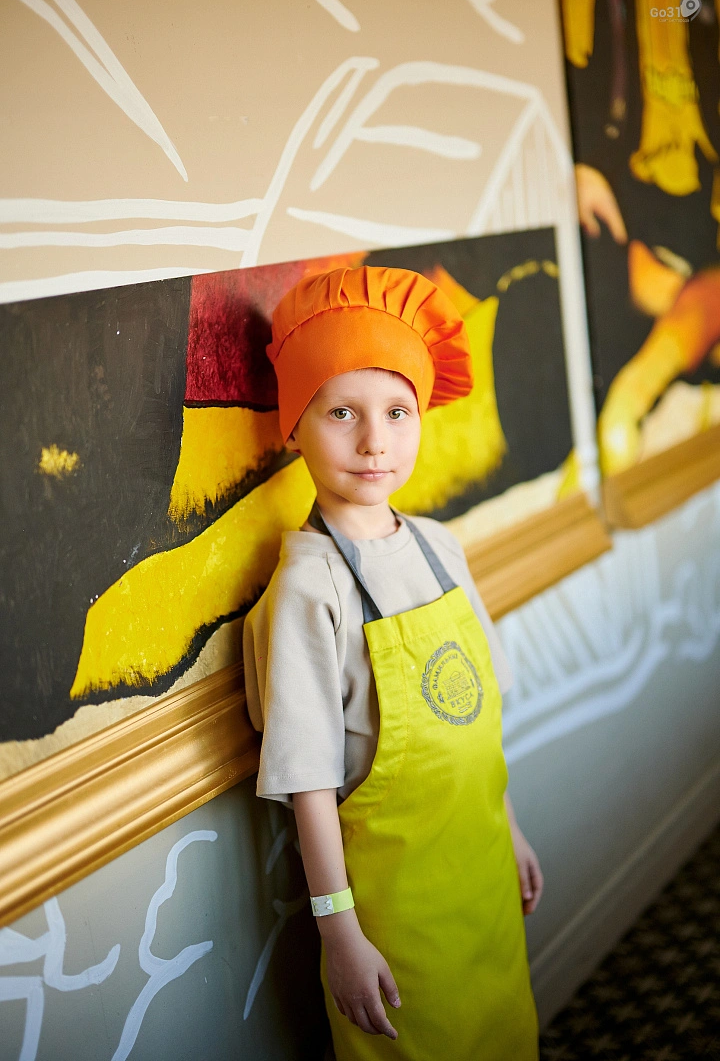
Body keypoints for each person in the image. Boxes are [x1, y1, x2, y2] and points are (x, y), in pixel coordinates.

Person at [243, 265, 543, 1060]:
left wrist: (509, 832)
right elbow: (309, 782)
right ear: (295, 425)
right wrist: (339, 932)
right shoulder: (308, 587)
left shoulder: (440, 547)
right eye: (342, 411)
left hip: (481, 865)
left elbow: (476, 726)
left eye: (396, 412)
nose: (375, 440)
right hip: (395, 909)